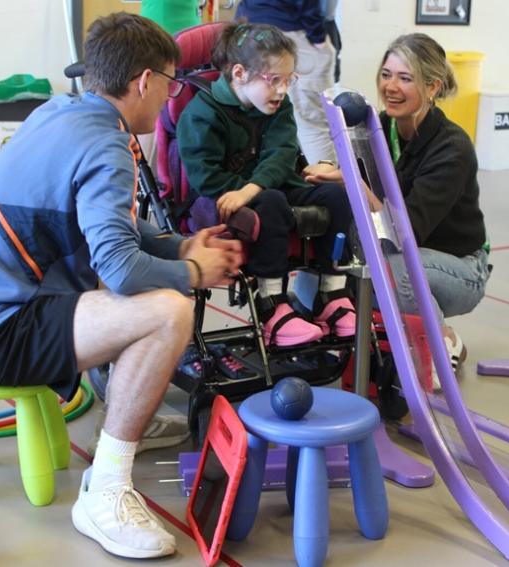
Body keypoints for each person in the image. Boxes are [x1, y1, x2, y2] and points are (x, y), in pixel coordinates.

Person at [0, 13, 241, 559]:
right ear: (145, 82)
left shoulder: (61, 110)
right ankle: (104, 492)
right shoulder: (108, 147)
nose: (171, 96)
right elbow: (121, 270)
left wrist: (175, 248)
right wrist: (194, 272)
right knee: (168, 311)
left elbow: (110, 225)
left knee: (156, 296)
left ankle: (127, 420)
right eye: (172, 83)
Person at [312, 33, 489, 388]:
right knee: (347, 249)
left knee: (392, 267)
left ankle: (438, 343)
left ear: (433, 86)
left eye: (405, 78)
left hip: (459, 270)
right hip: (406, 254)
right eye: (386, 74)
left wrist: (353, 183)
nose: (390, 86)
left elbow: (404, 232)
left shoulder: (451, 147)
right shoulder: (380, 126)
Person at [176, 22, 362, 347]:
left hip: (263, 188)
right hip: (220, 197)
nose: (281, 90)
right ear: (239, 73)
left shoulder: (279, 106)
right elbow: (205, 177)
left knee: (336, 196)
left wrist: (253, 188)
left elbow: (283, 153)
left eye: (288, 80)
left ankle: (331, 293)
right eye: (273, 80)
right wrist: (250, 191)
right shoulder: (201, 113)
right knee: (272, 202)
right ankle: (271, 306)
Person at [235, 0, 337, 163]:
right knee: (312, 126)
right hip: (291, 30)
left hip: (251, 27)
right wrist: (317, 35)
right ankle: (330, 184)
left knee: (264, 124)